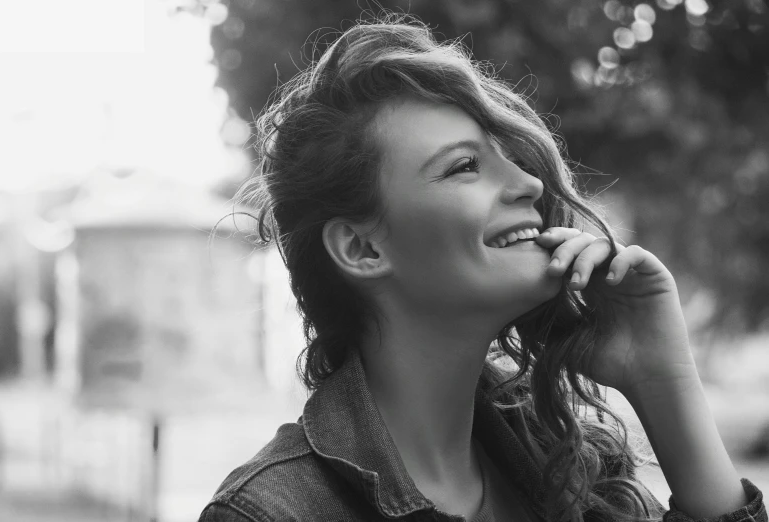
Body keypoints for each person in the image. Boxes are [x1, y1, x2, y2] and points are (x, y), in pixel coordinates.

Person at [198, 14, 766, 522]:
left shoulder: (577, 470)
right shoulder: (270, 512)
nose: (531, 184)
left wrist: (660, 379)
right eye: (465, 167)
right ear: (362, 249)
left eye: (511, 158)